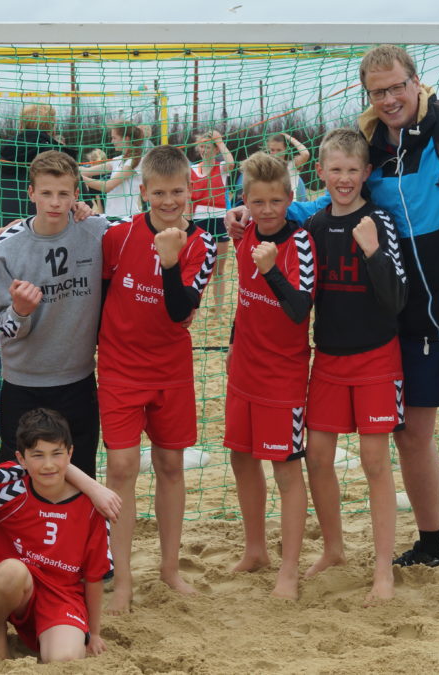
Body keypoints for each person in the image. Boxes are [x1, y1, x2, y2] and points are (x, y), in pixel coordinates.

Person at [257, 45, 439, 613]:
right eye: (378, 92)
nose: (390, 99)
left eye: (397, 86)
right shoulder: (372, 149)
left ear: (417, 81)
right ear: (369, 96)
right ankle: (432, 542)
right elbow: (331, 203)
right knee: (412, 433)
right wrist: (268, 216)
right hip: (412, 314)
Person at [98, 144, 217, 613]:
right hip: (120, 369)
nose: (170, 201)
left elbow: (179, 310)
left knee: (171, 466)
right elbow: (103, 295)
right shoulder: (118, 237)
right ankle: (122, 579)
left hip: (170, 370)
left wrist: (170, 259)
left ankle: (169, 569)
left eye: (179, 192)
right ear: (144, 192)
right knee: (122, 468)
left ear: (191, 192)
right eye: (161, 192)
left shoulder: (202, 244)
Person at [300, 129, 408, 605]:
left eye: (352, 170)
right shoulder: (316, 226)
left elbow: (397, 298)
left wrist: (373, 251)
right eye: (335, 169)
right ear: (320, 173)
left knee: (373, 461)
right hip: (327, 358)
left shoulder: (380, 221)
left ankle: (383, 570)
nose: (344, 179)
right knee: (317, 456)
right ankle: (334, 548)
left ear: (366, 173)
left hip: (376, 358)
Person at [224, 152, 313, 601]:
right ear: (245, 200)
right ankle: (255, 549)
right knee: (241, 457)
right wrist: (233, 344)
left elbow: (299, 311)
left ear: (289, 199)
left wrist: (271, 269)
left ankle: (290, 570)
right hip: (244, 368)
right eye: (257, 201)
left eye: (276, 201)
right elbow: (244, 299)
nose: (266, 210)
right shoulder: (244, 234)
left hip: (283, 374)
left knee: (286, 469)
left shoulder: (299, 244)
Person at [0, 151, 110, 479]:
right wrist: (21, 310)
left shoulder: (97, 231)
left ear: (76, 195)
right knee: (15, 480)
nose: (54, 202)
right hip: (23, 382)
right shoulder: (7, 248)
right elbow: (6, 326)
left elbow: (145, 228)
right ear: (31, 193)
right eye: (45, 193)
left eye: (63, 194)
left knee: (79, 475)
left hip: (78, 379)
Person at [0, 408, 111, 663]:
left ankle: (58, 636)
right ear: (21, 458)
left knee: (65, 660)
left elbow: (95, 575)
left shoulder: (91, 506)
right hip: (17, 591)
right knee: (11, 572)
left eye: (57, 454)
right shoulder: (6, 491)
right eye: (38, 455)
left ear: (70, 454)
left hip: (62, 597)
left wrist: (93, 633)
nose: (48, 464)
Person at [0, 104, 74, 229]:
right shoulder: (60, 157)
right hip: (45, 232)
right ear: (53, 129)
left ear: (20, 126)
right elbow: (82, 202)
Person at [190, 129, 235, 313]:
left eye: (208, 147)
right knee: (196, 267)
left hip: (218, 220)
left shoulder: (222, 167)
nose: (204, 150)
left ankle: (218, 308)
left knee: (219, 269)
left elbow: (232, 162)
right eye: (201, 146)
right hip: (198, 220)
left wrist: (219, 139)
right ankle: (195, 306)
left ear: (216, 150)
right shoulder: (192, 169)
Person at [81, 121, 144, 219]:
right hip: (112, 216)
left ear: (126, 139)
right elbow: (86, 171)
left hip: (128, 217)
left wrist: (80, 178)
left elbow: (108, 186)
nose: (112, 141)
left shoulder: (135, 161)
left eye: (114, 138)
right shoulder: (117, 160)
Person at [265, 132, 311, 200]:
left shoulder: (292, 165)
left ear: (286, 150)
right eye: (272, 150)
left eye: (279, 150)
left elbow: (305, 154)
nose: (275, 154)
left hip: (290, 206)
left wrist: (290, 138)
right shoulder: (266, 166)